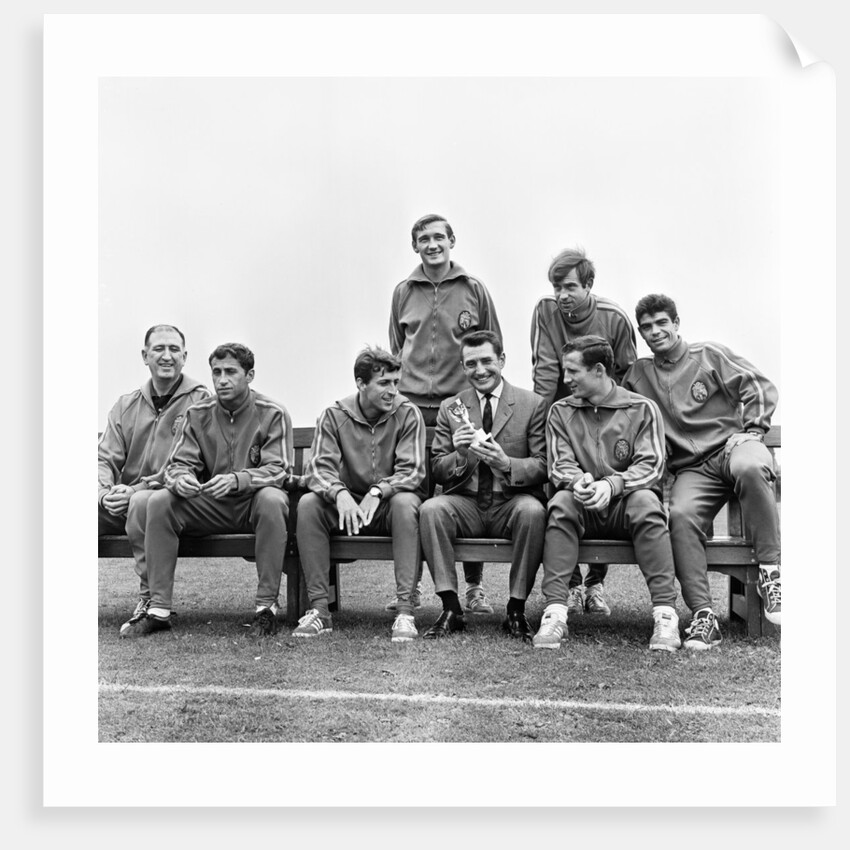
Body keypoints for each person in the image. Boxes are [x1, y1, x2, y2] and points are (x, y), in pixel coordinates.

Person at [623, 294, 781, 649]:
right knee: (679, 515)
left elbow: (759, 386)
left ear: (676, 323)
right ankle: (703, 616)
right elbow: (622, 410)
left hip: (732, 448)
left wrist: (753, 429)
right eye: (646, 327)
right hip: (692, 469)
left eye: (662, 322)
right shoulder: (638, 374)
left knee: (753, 466)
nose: (655, 331)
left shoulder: (708, 355)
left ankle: (771, 573)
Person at [120, 342, 293, 640]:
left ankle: (266, 608)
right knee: (161, 499)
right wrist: (181, 479)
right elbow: (176, 466)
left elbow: (278, 470)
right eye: (216, 372)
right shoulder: (197, 413)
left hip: (251, 504)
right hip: (211, 504)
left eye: (230, 372)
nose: (222, 379)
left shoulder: (272, 412)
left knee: (273, 499)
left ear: (249, 375)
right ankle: (159, 610)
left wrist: (238, 479)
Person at [532, 335, 681, 652]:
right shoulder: (560, 411)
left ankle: (665, 616)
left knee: (647, 503)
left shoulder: (642, 408)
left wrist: (612, 485)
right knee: (560, 502)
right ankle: (556, 612)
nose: (565, 379)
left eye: (573, 371)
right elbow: (559, 464)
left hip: (624, 506)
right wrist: (579, 482)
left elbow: (652, 465)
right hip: (582, 504)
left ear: (599, 370)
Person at [388, 213, 503, 615]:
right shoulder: (404, 291)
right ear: (414, 246)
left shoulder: (473, 288)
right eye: (423, 238)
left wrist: (478, 394)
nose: (432, 244)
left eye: (439, 237)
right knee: (415, 493)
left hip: (461, 406)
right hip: (414, 407)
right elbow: (396, 348)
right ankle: (412, 586)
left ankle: (474, 587)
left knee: (468, 490)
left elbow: (489, 342)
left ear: (452, 240)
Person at [530, 248, 638, 618]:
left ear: (589, 285)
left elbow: (628, 374)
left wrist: (615, 418)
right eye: (556, 286)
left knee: (603, 486)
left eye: (569, 286)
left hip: (607, 416)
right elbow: (544, 370)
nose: (561, 295)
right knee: (562, 492)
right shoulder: (545, 310)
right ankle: (571, 585)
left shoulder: (615, 318)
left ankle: (595, 584)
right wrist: (540, 422)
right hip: (563, 418)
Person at [419, 330, 548, 641]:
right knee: (431, 509)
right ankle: (451, 609)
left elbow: (544, 465)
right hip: (467, 503)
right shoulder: (452, 406)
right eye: (471, 363)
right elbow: (437, 468)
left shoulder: (532, 404)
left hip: (510, 502)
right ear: (463, 367)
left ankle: (516, 610)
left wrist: (507, 464)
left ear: (501, 360)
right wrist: (460, 454)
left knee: (533, 512)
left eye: (487, 361)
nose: (480, 370)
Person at [292, 347, 426, 642]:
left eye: (395, 382)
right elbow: (317, 470)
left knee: (407, 502)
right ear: (360, 383)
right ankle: (319, 611)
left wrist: (379, 490)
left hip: (389, 506)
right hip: (347, 508)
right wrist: (339, 493)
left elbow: (413, 471)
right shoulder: (334, 414)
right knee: (309, 504)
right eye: (384, 383)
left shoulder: (408, 413)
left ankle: (405, 611)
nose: (392, 390)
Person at [98, 324, 210, 635]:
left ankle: (149, 600)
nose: (166, 355)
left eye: (174, 349)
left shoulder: (201, 401)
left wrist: (135, 489)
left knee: (143, 502)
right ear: (145, 356)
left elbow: (190, 463)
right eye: (159, 349)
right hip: (122, 499)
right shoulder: (126, 405)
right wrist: (104, 494)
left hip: (169, 499)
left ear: (185, 357)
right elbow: (104, 458)